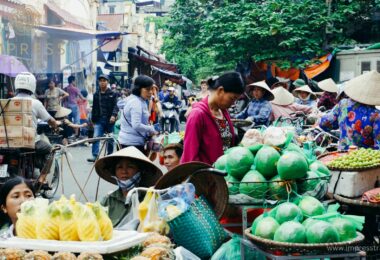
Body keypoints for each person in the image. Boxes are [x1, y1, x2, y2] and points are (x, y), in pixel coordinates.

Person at [181, 72, 245, 164]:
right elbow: (190, 157)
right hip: (205, 174)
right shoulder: (197, 115)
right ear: (220, 91)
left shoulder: (223, 112)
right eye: (232, 98)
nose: (233, 103)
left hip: (223, 173)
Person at [95, 147, 163, 227]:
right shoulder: (109, 200)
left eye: (130, 167)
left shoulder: (150, 199)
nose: (124, 171)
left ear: (140, 171)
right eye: (119, 167)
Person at [319, 70, 380, 150]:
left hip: (342, 156)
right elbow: (378, 146)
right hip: (364, 160)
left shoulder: (343, 104)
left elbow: (324, 124)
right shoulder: (376, 115)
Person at [12, 72, 59, 173]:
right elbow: (50, 120)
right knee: (50, 149)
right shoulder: (35, 103)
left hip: (8, 142)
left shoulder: (8, 102)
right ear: (32, 85)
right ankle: (42, 178)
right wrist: (55, 125)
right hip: (29, 143)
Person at [118, 75, 158, 153]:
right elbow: (136, 125)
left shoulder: (137, 99)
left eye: (151, 89)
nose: (150, 92)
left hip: (130, 141)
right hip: (131, 144)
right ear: (139, 88)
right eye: (147, 89)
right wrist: (151, 128)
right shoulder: (136, 102)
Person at [88, 74, 118, 162]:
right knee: (96, 137)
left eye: (104, 81)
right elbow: (94, 107)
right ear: (99, 82)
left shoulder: (113, 93)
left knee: (110, 138)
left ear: (107, 82)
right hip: (99, 119)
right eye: (101, 81)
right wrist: (93, 120)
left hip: (110, 119)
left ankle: (110, 155)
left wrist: (113, 115)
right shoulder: (96, 94)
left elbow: (116, 106)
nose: (102, 82)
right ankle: (95, 155)